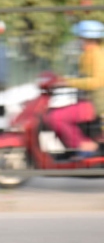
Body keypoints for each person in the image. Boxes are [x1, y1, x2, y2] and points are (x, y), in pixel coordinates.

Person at [46, 20, 104, 156]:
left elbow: (96, 82)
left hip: (96, 104)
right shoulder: (88, 54)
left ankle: (85, 147)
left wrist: (67, 82)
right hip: (89, 101)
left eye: (79, 38)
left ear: (87, 38)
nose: (77, 41)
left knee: (56, 117)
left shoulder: (96, 55)